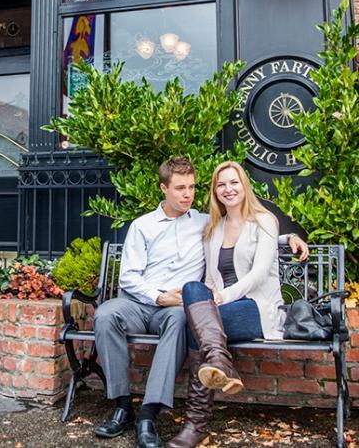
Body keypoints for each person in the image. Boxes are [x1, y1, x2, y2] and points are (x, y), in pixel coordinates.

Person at [93, 157, 307, 448]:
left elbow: (255, 243)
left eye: (192, 187)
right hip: (144, 302)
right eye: (180, 188)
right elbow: (128, 278)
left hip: (210, 307)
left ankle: (151, 413)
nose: (187, 194)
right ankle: (122, 405)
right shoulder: (155, 226)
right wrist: (159, 296)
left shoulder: (209, 222)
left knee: (188, 315)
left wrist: (289, 237)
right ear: (163, 188)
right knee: (107, 314)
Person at [168, 160, 294, 448]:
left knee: (195, 326)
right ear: (215, 191)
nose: (228, 189)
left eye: (233, 182)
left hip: (257, 309)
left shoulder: (264, 221)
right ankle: (220, 362)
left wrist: (223, 297)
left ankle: (196, 424)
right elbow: (210, 280)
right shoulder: (214, 228)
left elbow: (259, 272)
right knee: (192, 288)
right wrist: (210, 294)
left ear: (244, 185)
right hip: (222, 310)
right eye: (221, 184)